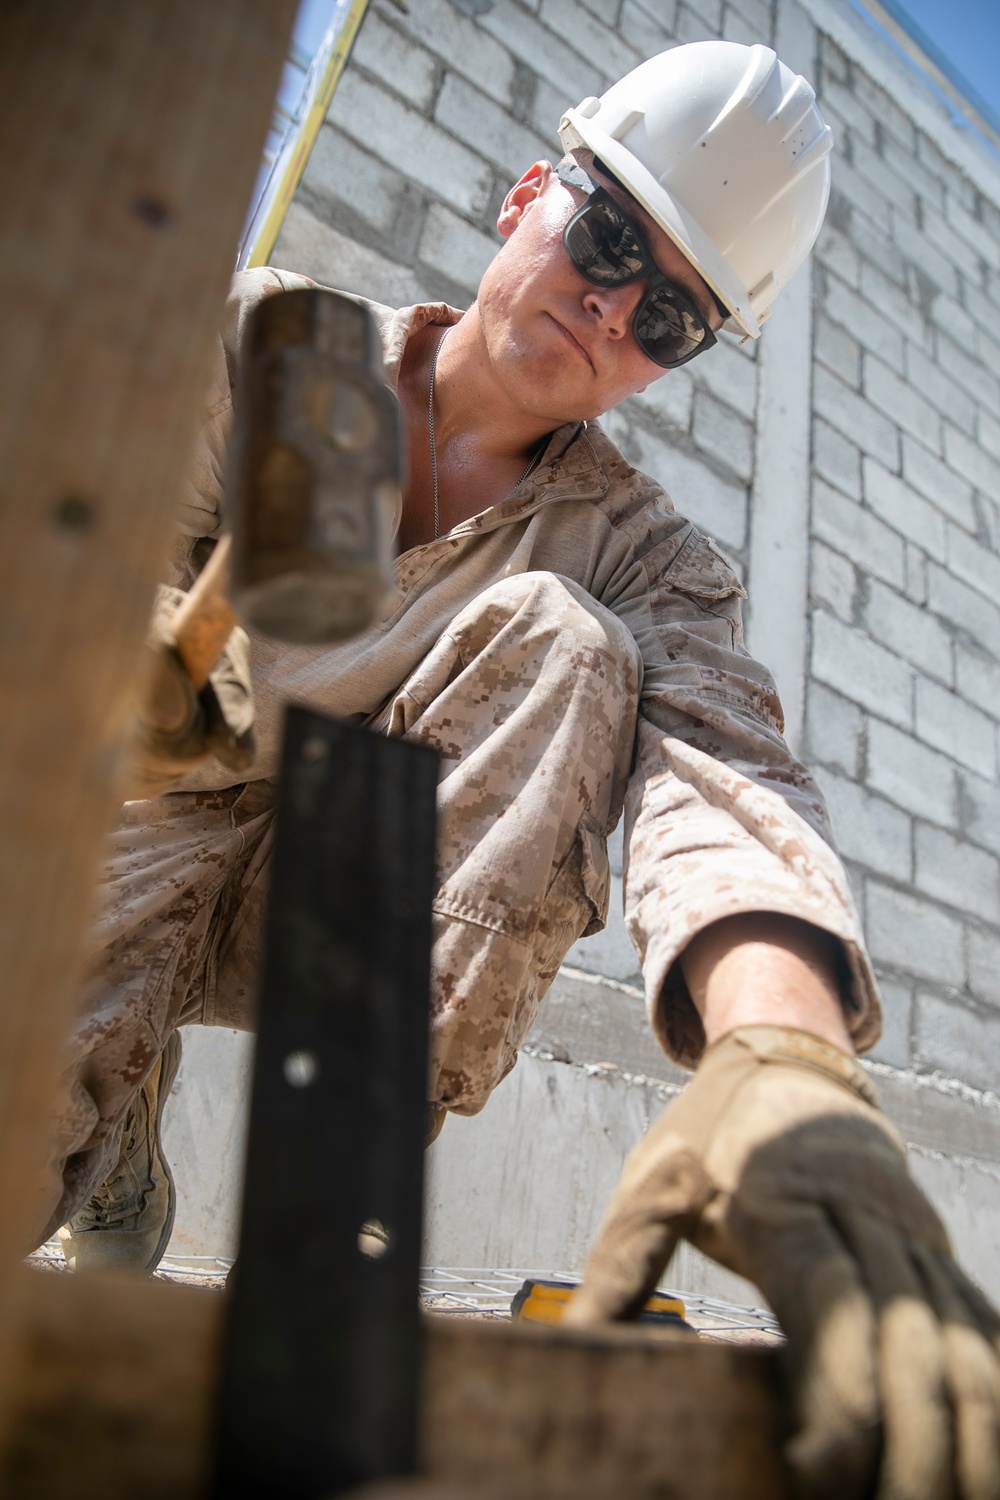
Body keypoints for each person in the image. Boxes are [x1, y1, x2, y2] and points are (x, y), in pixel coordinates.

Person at [44, 39, 1000, 1498]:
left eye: (671, 313)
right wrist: (98, 682)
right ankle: (101, 1125)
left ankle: (331, 1241)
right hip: (131, 828)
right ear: (526, 195)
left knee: (570, 641)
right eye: (607, 236)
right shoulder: (263, 350)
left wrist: (779, 1056)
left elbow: (723, 779)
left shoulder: (645, 556)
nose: (612, 305)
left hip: (353, 927)